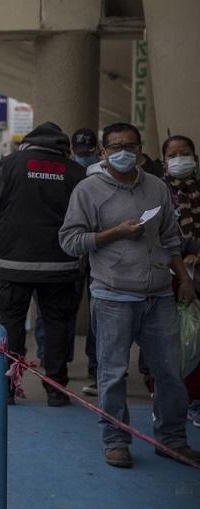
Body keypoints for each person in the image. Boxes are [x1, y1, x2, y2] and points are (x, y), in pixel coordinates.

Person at [60, 122, 200, 468]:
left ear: (141, 150)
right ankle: (115, 439)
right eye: (117, 147)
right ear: (104, 153)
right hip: (112, 297)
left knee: (170, 372)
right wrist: (115, 233)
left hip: (159, 295)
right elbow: (70, 241)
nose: (125, 152)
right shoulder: (88, 190)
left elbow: (170, 238)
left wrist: (183, 279)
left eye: (132, 146)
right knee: (113, 374)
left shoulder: (155, 187)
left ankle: (172, 439)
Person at [0, 122, 85, 406]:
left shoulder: (10, 165)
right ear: (61, 145)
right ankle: (55, 389)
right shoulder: (75, 172)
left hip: (14, 264)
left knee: (10, 326)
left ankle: (7, 388)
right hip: (60, 266)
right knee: (56, 327)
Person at [161, 134, 200, 428]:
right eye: (173, 155)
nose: (179, 159)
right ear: (164, 161)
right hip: (170, 276)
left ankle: (195, 399)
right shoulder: (158, 192)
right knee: (172, 340)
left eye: (184, 153)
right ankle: (169, 396)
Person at [71, 128, 102, 395]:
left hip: (96, 258)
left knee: (97, 315)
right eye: (80, 154)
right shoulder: (66, 175)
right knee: (62, 311)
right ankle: (55, 359)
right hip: (70, 256)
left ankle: (96, 367)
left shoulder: (103, 178)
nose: (84, 159)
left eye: (89, 153)